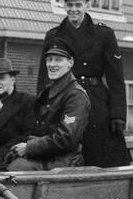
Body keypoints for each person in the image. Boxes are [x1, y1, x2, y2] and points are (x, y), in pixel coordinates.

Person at [38, 0, 131, 167]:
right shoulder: (54, 36)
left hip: (96, 100)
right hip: (63, 101)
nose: (74, 10)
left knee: (102, 156)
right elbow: (43, 78)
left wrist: (118, 114)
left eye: (78, 5)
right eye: (69, 5)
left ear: (87, 6)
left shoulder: (104, 35)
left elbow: (116, 79)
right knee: (63, 152)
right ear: (64, 6)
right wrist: (42, 112)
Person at [6, 40, 90, 170]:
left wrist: (29, 147)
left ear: (70, 63)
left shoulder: (76, 96)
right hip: (46, 156)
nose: (52, 64)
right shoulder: (47, 92)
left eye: (58, 60)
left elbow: (66, 139)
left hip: (64, 161)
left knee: (16, 169)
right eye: (49, 60)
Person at [0, 57, 36, 167]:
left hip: (13, 159)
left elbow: (27, 135)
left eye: (1, 78)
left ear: (13, 79)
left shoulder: (27, 101)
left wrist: (1, 154)